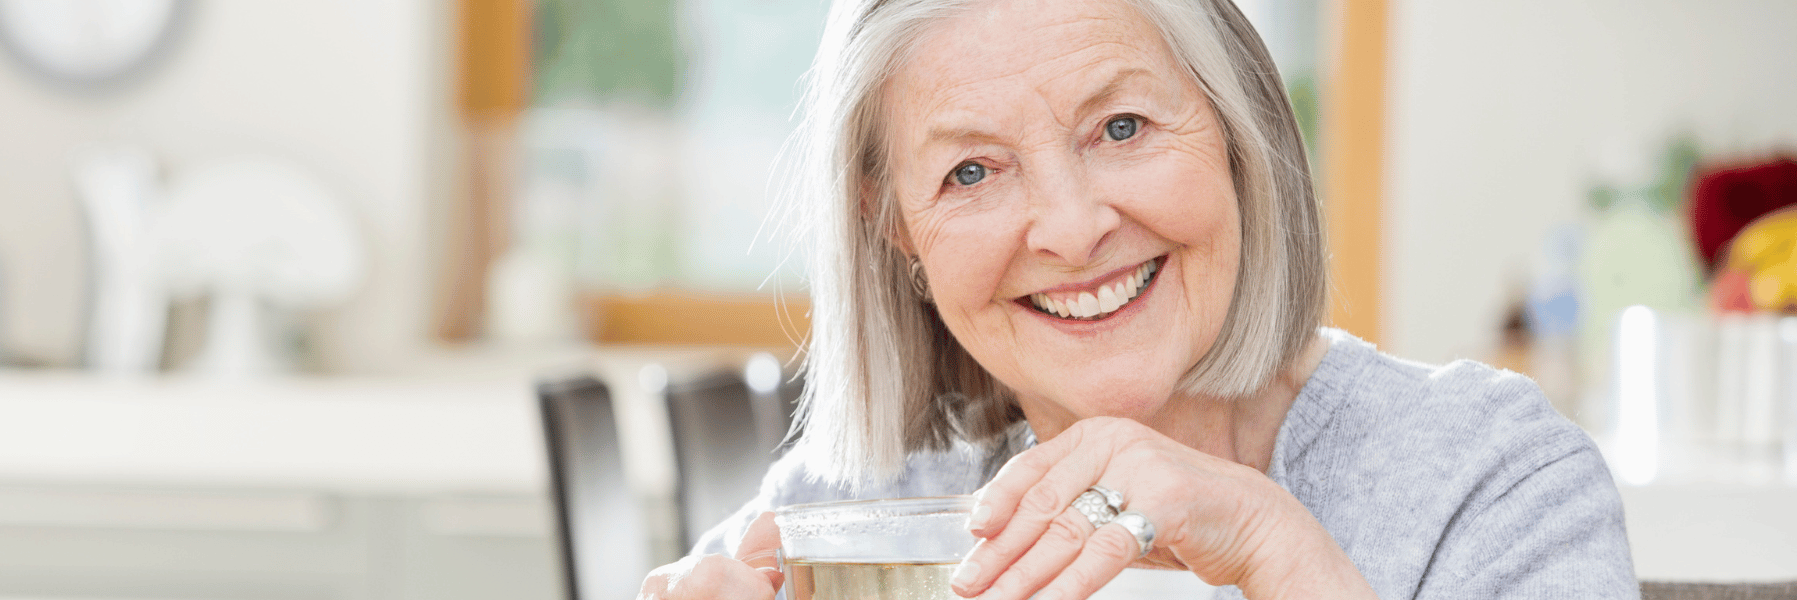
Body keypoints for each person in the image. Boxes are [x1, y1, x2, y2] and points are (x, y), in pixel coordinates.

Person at [639, 0, 1638, 597]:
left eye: (1119, 128)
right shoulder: (848, 522)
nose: (1070, 230)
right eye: (971, 173)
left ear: (1238, 131)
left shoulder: (1492, 482)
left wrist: (1271, 552)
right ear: (893, 227)